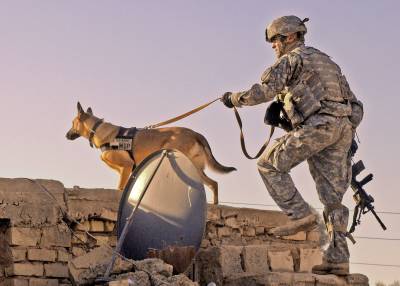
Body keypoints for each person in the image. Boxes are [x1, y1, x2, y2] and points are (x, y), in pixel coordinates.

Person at [221, 15, 363, 275]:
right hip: (342, 129)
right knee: (332, 199)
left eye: (275, 41)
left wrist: (234, 99)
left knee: (268, 165)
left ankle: (300, 215)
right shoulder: (327, 62)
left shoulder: (292, 59)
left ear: (289, 37)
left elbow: (263, 91)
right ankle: (337, 258)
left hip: (320, 127)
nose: (274, 46)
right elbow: (356, 107)